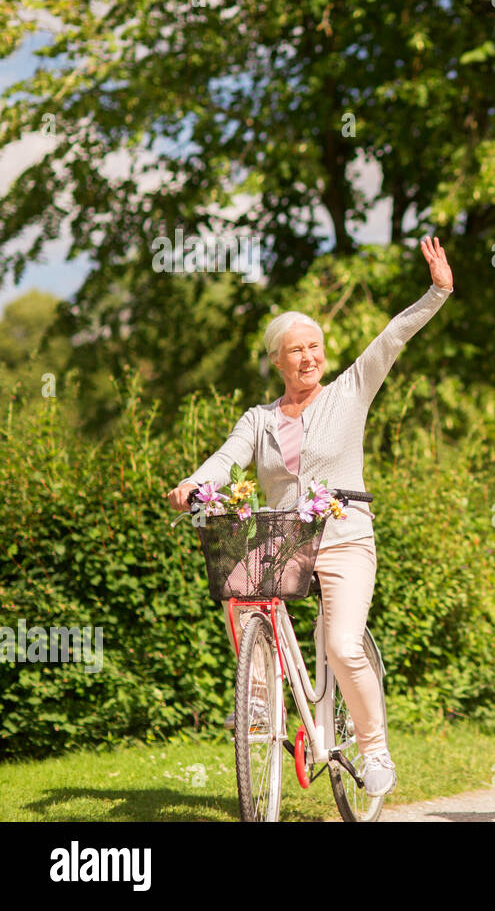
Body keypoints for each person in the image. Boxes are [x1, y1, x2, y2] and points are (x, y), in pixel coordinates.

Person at [168, 236, 455, 795]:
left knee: (343, 645)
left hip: (346, 538)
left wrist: (436, 291)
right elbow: (226, 460)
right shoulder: (260, 419)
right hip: (283, 542)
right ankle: (261, 701)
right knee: (240, 596)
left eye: (315, 347)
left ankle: (376, 752)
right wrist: (193, 484)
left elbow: (392, 336)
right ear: (277, 359)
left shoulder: (350, 391)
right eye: (296, 350)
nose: (308, 358)